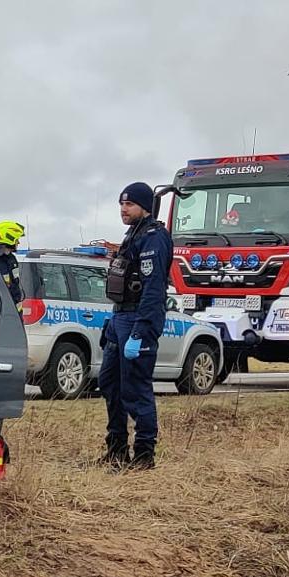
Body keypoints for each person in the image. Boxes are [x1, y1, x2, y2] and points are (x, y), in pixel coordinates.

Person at [101, 182, 173, 471]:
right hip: (119, 317)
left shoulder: (154, 238)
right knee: (109, 384)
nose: (123, 209)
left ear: (145, 206)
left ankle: (144, 454)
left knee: (135, 388)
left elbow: (153, 289)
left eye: (129, 204)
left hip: (137, 319)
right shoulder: (133, 234)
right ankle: (117, 449)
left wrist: (141, 331)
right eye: (121, 204)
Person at [0, 221, 25, 303]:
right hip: (2, 308)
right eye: (17, 239)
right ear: (10, 239)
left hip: (14, 309)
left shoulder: (11, 258)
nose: (18, 242)